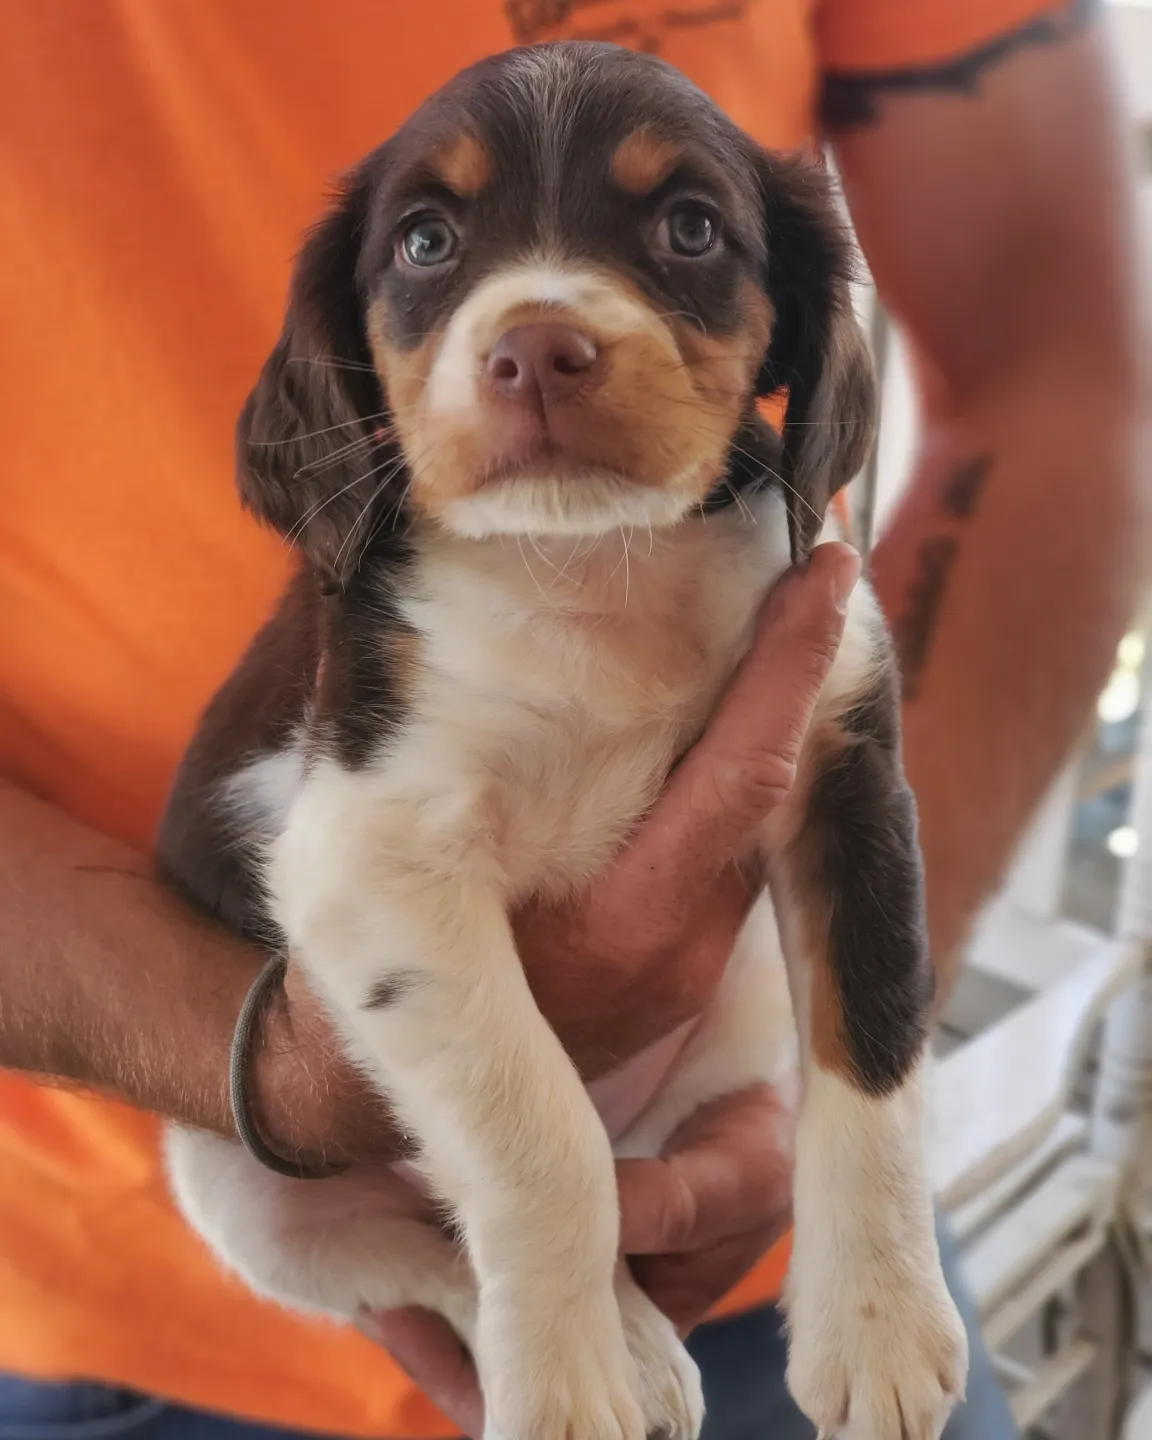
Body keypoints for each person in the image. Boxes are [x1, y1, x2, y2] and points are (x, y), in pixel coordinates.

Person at [0, 0, 1143, 1437]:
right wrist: (532, 1260)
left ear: (795, 330)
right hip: (148, 1279)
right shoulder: (407, 620)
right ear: (346, 363)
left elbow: (1053, 359)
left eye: (679, 234)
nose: (539, 329)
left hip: (747, 1209)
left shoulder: (781, 584)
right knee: (248, 1208)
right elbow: (367, 871)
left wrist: (811, 1132)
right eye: (429, 244)